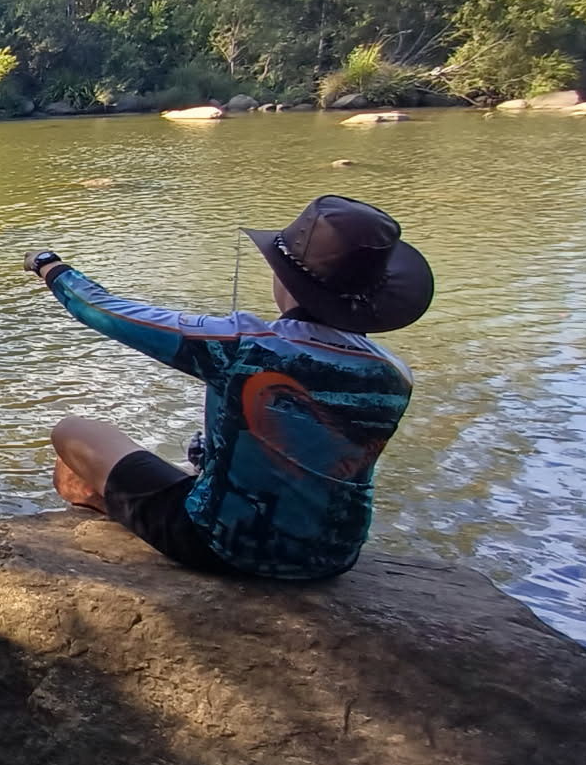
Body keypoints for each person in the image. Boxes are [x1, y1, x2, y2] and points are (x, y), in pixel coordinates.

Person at [23, 195, 433, 580]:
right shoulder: (395, 372)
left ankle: (120, 509)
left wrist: (49, 265)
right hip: (335, 557)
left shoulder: (242, 346)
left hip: (223, 546)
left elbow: (104, 311)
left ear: (285, 279)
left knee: (74, 433)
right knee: (188, 468)